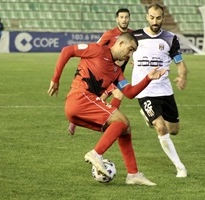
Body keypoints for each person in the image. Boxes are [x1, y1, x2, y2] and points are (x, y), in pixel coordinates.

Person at [48, 32, 167, 185]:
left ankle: (133, 174)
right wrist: (55, 79)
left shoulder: (116, 72)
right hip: (79, 98)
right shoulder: (97, 50)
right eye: (130, 49)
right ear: (120, 43)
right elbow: (67, 51)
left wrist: (148, 78)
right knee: (122, 121)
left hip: (79, 108)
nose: (130, 54)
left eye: (133, 52)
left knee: (125, 128)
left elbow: (129, 93)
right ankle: (96, 154)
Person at [132, 4, 188, 177]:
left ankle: (148, 117)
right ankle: (180, 167)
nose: (155, 21)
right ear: (147, 17)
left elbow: (180, 62)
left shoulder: (170, 38)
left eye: (158, 18)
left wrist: (182, 76)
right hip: (144, 90)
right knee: (161, 128)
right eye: (152, 17)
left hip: (165, 90)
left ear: (163, 18)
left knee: (174, 130)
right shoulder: (135, 36)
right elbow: (122, 56)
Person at [68, 8, 132, 135]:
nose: (124, 20)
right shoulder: (109, 34)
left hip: (117, 74)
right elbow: (97, 48)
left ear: (129, 18)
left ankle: (109, 123)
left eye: (126, 17)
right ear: (117, 19)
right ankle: (111, 124)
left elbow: (134, 51)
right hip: (104, 73)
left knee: (104, 96)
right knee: (109, 96)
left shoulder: (131, 35)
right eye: (122, 17)